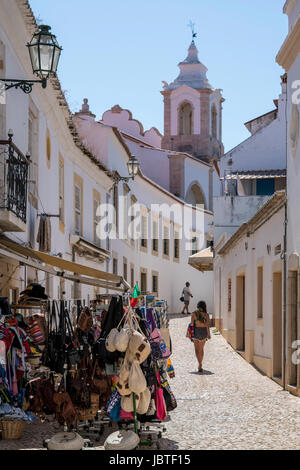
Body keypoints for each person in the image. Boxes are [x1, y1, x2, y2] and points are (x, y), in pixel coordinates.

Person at [191, 301, 211, 373]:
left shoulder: (194, 314)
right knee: (201, 349)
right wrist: (208, 334)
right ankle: (200, 364)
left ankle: (199, 364)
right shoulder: (207, 315)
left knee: (196, 349)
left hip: (196, 332)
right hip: (204, 332)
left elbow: (192, 324)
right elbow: (207, 326)